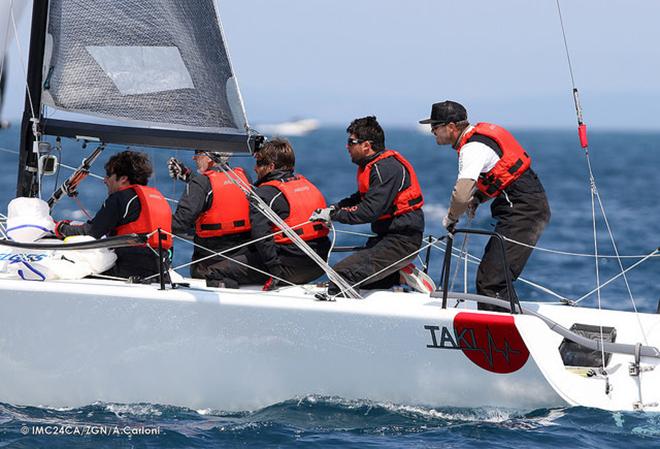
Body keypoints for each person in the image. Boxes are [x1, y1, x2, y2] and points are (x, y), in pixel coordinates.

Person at [420, 100, 550, 310]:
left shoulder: (471, 148)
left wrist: (451, 218)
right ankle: (508, 324)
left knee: (492, 280)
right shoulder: (476, 141)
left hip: (524, 209)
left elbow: (461, 195)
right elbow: (500, 177)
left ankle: (503, 336)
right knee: (493, 277)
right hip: (524, 204)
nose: (433, 131)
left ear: (451, 127)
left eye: (435, 127)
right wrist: (479, 198)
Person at [312, 116, 425, 297]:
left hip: (401, 240)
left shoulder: (386, 168)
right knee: (353, 274)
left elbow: (369, 211)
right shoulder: (373, 167)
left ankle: (344, 318)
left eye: (351, 142)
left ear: (366, 145)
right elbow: (360, 198)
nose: (347, 147)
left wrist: (335, 215)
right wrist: (333, 208)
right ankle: (399, 277)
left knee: (342, 274)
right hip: (386, 237)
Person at [205, 138, 331, 289]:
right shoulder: (308, 185)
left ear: (271, 167)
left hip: (288, 269)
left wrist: (275, 273)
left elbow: (261, 238)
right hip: (318, 265)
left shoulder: (265, 194)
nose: (255, 169)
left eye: (259, 163)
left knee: (214, 272)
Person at [54, 150, 172, 279]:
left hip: (130, 271)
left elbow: (92, 232)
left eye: (108, 175)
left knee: (71, 268)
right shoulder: (158, 198)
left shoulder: (120, 198)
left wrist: (61, 228)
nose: (105, 180)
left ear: (123, 179)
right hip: (161, 272)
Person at [167, 150, 252, 278]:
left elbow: (179, 223)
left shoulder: (200, 183)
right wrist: (189, 176)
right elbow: (217, 188)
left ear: (209, 158)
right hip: (243, 262)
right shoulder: (243, 176)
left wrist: (152, 224)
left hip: (209, 265)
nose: (194, 158)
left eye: (198, 153)